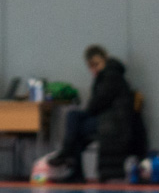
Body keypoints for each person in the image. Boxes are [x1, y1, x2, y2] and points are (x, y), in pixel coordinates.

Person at [48, 45, 140, 182]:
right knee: (76, 125)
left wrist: (88, 110)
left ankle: (68, 155)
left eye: (96, 64)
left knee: (74, 118)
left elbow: (97, 104)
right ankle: (70, 158)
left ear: (105, 60)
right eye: (91, 67)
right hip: (107, 119)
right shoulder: (105, 76)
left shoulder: (111, 76)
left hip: (115, 122)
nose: (94, 69)